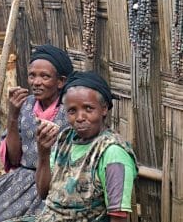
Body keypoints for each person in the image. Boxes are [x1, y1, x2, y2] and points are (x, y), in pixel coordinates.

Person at [0, 44, 73, 222]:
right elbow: (15, 158)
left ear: (60, 81)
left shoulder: (69, 111)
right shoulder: (26, 104)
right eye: (32, 75)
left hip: (48, 185)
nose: (36, 82)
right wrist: (13, 115)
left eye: (45, 76)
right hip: (19, 178)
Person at [10, 71, 138, 222]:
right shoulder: (65, 139)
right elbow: (43, 192)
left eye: (88, 109)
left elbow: (118, 216)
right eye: (72, 111)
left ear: (103, 109)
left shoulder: (112, 152)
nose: (80, 118)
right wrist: (43, 153)